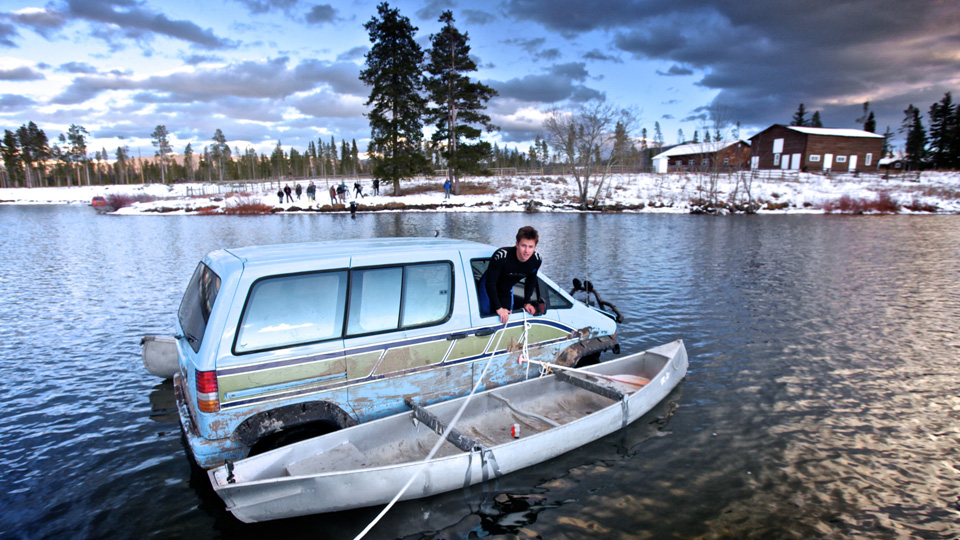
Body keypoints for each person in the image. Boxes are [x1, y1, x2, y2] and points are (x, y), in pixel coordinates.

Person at [478, 226, 545, 324]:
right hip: (488, 287)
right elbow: (490, 283)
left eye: (530, 247)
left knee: (506, 319)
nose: (526, 251)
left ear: (535, 247)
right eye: (523, 245)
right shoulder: (502, 256)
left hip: (506, 289)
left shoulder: (537, 260)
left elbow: (531, 279)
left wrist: (527, 302)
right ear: (517, 244)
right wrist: (498, 308)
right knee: (488, 319)